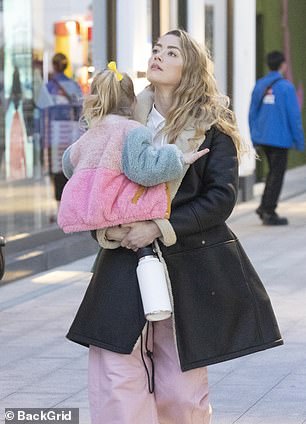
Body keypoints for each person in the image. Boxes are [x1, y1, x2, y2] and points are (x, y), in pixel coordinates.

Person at [66, 30, 283, 424]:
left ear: (191, 67)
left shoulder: (213, 124)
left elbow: (221, 198)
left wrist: (158, 227)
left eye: (172, 52)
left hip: (187, 261)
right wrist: (107, 231)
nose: (158, 56)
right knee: (116, 372)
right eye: (156, 49)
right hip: (122, 261)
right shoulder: (120, 120)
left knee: (181, 388)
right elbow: (89, 185)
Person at [58, 62, 208, 237]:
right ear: (133, 102)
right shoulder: (132, 130)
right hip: (123, 211)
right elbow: (143, 170)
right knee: (147, 260)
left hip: (92, 212)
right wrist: (178, 158)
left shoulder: (88, 136)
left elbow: (68, 164)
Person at [249, 50, 304, 225]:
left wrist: (254, 136)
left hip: (263, 138)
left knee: (272, 173)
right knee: (276, 175)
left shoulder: (260, 85)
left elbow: (252, 113)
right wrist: (300, 141)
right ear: (283, 65)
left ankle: (264, 206)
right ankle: (269, 211)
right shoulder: (286, 87)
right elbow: (294, 117)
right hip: (280, 140)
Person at [38, 53, 82, 222]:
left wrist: (41, 137)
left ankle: (59, 209)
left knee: (56, 172)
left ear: (54, 66)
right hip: (72, 133)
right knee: (70, 171)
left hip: (54, 134)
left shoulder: (49, 88)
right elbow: (80, 110)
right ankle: (71, 207)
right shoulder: (73, 85)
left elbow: (42, 114)